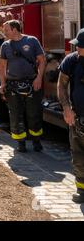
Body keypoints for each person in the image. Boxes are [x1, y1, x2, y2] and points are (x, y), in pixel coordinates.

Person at [0, 20, 46, 153]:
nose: (4, 32)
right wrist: (2, 83)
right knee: (15, 115)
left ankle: (36, 141)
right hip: (13, 85)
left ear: (14, 29)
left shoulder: (32, 41)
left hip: (32, 83)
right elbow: (1, 66)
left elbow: (42, 61)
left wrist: (39, 78)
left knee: (34, 114)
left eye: (6, 29)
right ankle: (21, 143)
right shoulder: (5, 46)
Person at [57, 29, 84, 204]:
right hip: (78, 118)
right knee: (79, 156)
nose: (77, 49)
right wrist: (67, 108)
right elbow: (61, 85)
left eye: (80, 46)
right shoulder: (72, 61)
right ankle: (82, 191)